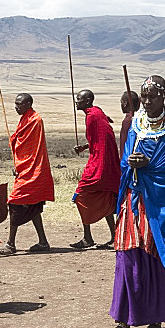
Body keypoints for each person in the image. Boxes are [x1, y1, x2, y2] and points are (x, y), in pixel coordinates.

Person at [102, 76, 165, 328]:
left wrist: (149, 164)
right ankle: (122, 322)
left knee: (155, 258)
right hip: (134, 200)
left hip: (160, 204)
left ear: (163, 97)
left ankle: (154, 319)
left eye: (152, 96)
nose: (147, 101)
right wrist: (132, 163)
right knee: (127, 260)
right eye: (144, 96)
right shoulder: (136, 124)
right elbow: (127, 157)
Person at [0, 93, 54, 254]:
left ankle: (10, 244)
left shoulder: (35, 120)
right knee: (32, 205)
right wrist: (18, 163)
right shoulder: (24, 119)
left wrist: (22, 165)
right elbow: (23, 147)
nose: (16, 107)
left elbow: (33, 150)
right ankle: (43, 242)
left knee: (15, 201)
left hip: (34, 170)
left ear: (28, 104)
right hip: (25, 168)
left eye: (19, 104)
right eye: (15, 104)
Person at [71, 89, 120, 249]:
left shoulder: (92, 116)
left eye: (78, 99)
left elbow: (103, 140)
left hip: (99, 164)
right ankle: (114, 235)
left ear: (87, 101)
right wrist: (86, 146)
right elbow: (99, 138)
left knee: (80, 195)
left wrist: (97, 160)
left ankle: (88, 238)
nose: (76, 102)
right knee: (103, 196)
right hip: (104, 162)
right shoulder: (97, 112)